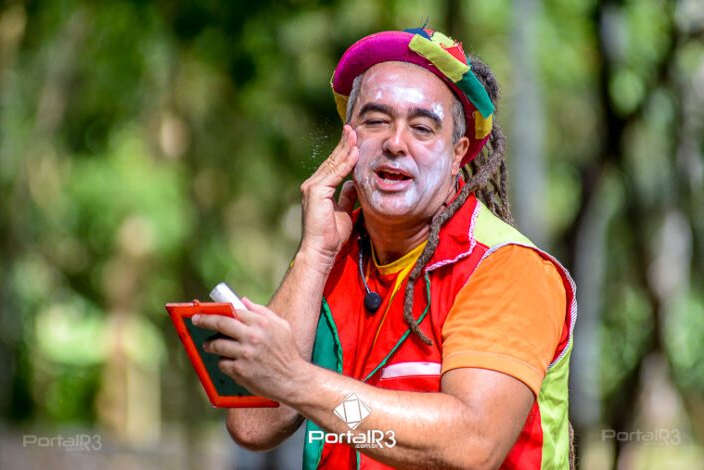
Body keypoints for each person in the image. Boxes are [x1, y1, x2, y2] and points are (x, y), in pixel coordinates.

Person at [193, 27, 577, 469]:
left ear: (458, 155)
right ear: (347, 140)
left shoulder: (506, 267)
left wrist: (298, 382)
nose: (396, 143)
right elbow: (254, 425)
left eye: (422, 128)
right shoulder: (333, 255)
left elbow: (472, 445)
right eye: (376, 121)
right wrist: (314, 254)